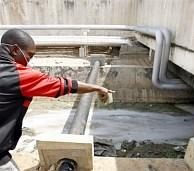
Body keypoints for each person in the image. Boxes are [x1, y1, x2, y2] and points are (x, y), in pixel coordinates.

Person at [0, 29, 112, 170]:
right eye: (29, 56)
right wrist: (97, 88)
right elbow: (64, 85)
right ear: (15, 50)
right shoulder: (17, 75)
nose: (29, 61)